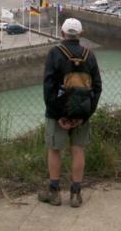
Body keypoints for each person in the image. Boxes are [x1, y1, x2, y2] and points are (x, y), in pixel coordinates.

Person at [39, 18, 102, 207]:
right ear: (80, 34)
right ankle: (75, 194)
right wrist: (85, 115)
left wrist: (58, 115)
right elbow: (97, 88)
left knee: (54, 150)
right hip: (82, 112)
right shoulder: (89, 55)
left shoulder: (54, 53)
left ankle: (55, 193)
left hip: (58, 112)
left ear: (62, 33)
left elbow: (48, 88)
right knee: (78, 150)